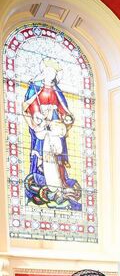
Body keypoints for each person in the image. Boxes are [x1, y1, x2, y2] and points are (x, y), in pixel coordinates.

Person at [22, 58, 81, 210]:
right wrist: (36, 114)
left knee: (57, 155)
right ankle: (43, 185)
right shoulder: (35, 87)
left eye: (53, 73)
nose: (50, 75)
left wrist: (66, 116)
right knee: (42, 154)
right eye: (48, 71)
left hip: (55, 124)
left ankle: (61, 185)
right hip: (41, 124)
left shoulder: (57, 90)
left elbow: (62, 107)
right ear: (43, 72)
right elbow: (30, 104)